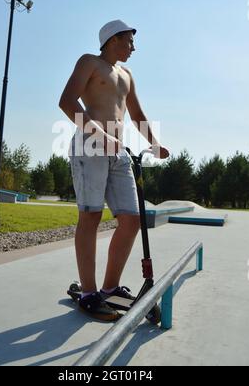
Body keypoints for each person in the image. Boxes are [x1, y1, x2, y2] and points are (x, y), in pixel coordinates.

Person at [59, 20, 169, 321]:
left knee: (132, 220)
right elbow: (67, 101)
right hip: (90, 146)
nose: (133, 47)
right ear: (112, 40)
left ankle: (109, 288)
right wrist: (97, 133)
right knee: (91, 215)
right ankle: (89, 293)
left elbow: (136, 114)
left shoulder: (127, 74)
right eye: (129, 41)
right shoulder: (89, 62)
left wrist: (155, 142)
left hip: (118, 151)